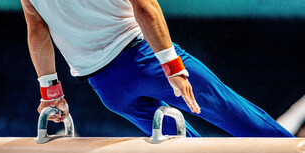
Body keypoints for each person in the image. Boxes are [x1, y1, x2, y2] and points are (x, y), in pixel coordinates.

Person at [20, 0, 293, 139]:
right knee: (233, 113)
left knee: (181, 150)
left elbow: (36, 30)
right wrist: (173, 67)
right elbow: (145, 7)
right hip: (144, 60)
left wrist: (51, 93)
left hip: (107, 88)